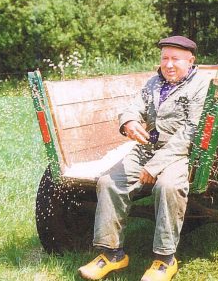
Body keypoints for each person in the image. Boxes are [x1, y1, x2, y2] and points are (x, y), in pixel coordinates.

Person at [78, 35, 210, 281]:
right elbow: (133, 107)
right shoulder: (153, 83)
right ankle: (112, 253)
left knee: (168, 186)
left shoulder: (201, 85)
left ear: (191, 61)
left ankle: (165, 260)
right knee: (108, 182)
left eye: (176, 59)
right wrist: (127, 121)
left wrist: (156, 165)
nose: (169, 64)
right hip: (147, 148)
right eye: (165, 58)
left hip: (180, 153)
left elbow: (191, 132)